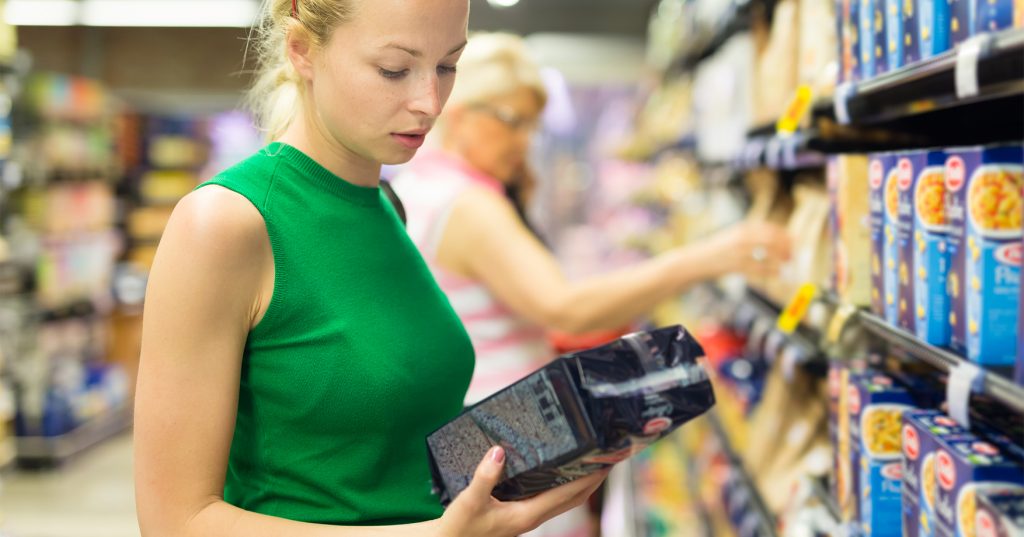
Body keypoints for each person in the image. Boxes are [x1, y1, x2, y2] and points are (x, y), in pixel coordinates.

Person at [133, 2, 607, 536]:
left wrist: (540, 439)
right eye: (393, 70)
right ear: (303, 50)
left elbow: (382, 445)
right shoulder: (226, 224)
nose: (429, 102)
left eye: (448, 66)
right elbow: (174, 521)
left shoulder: (387, 205)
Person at [393, 32, 791, 406]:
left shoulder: (422, 181)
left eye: (532, 126)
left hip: (472, 408)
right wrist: (708, 258)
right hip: (505, 424)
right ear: (462, 115)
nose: (525, 142)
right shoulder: (468, 203)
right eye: (513, 121)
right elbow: (565, 309)